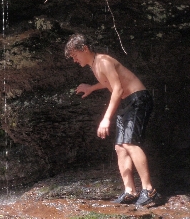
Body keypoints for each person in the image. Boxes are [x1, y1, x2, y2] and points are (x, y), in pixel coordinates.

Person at [64, 33, 159, 207]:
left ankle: (149, 190)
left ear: (84, 48)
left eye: (75, 55)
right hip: (127, 103)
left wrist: (106, 119)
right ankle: (130, 191)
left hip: (138, 99)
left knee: (130, 143)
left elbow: (117, 88)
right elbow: (109, 81)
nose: (74, 60)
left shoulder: (103, 62)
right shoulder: (94, 66)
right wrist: (92, 87)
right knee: (120, 148)